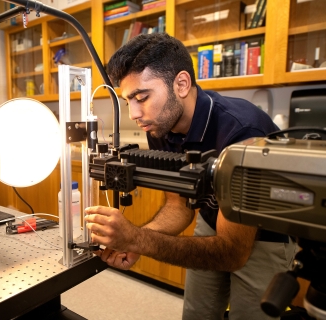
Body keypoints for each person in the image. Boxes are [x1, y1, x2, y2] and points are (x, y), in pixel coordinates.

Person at [84, 33, 297, 320]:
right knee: (198, 313)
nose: (134, 113)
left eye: (142, 97)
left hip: (264, 237)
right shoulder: (160, 125)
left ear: (181, 84)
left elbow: (233, 252)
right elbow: (178, 206)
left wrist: (138, 239)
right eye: (128, 102)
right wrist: (135, 240)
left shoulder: (241, 133)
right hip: (212, 220)